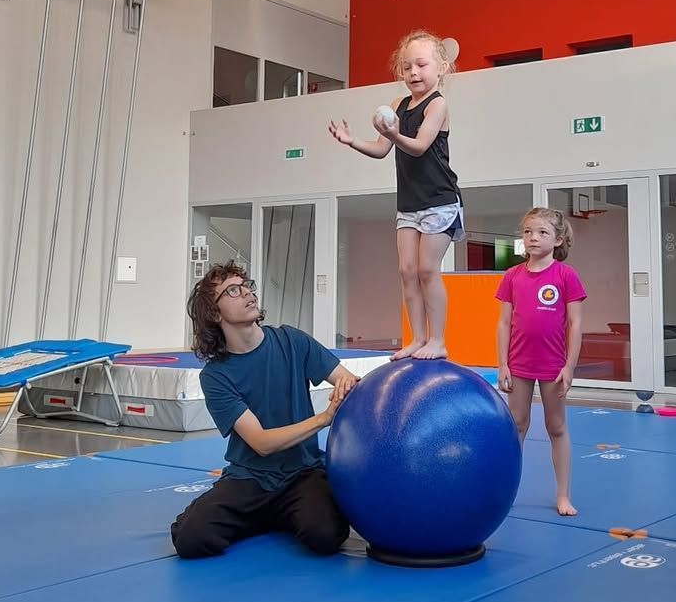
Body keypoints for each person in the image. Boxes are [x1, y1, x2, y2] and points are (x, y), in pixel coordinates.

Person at [171, 262, 357, 559]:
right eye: (233, 290)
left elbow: (344, 378)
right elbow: (261, 442)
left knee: (325, 535)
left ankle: (283, 514)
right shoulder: (216, 376)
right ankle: (270, 515)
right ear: (215, 313)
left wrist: (347, 384)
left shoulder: (291, 341)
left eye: (247, 285)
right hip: (251, 478)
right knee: (191, 539)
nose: (247, 292)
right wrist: (324, 418)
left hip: (303, 473)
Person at [329, 30, 463, 360]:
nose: (414, 73)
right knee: (406, 271)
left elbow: (417, 147)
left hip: (440, 199)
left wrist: (394, 132)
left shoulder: (438, 105)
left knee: (428, 270)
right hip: (409, 204)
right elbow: (380, 149)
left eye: (421, 65)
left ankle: (438, 340)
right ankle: (417, 338)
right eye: (407, 67)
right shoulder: (396, 105)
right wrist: (352, 141)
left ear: (441, 68)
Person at [496, 208, 585, 516]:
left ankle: (563, 495)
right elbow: (504, 323)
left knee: (556, 426)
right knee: (516, 425)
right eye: (528, 232)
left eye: (542, 232)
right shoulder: (512, 276)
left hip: (553, 365)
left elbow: (575, 323)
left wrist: (569, 366)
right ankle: (507, 489)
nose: (533, 238)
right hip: (518, 363)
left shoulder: (565, 275)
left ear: (558, 239)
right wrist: (502, 363)